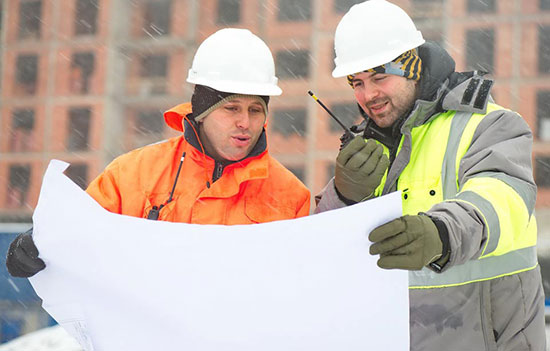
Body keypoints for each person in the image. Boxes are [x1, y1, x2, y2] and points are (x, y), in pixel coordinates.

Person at [316, 1, 546, 350]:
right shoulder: (366, 151)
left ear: (414, 68)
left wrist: (440, 232)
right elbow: (321, 251)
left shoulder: (491, 124)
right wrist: (343, 195)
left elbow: (504, 198)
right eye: (358, 82)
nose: (368, 95)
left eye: (380, 76)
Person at [7, 28, 311, 278]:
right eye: (231, 108)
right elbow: (80, 232)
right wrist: (38, 244)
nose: (245, 122)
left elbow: (297, 282)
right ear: (203, 111)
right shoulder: (133, 174)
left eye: (255, 110)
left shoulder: (291, 196)